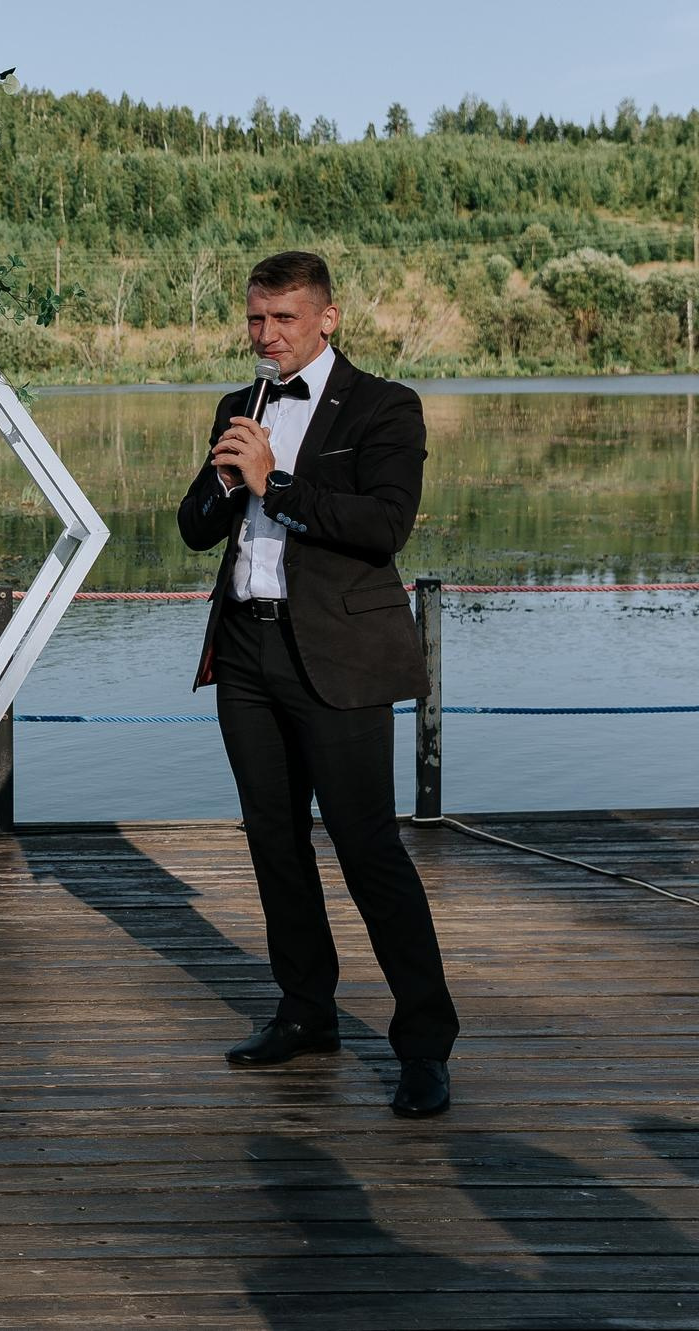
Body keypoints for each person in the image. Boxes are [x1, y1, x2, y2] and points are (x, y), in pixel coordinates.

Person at [177, 250, 459, 1119]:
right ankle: (307, 1012)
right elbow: (193, 529)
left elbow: (384, 525)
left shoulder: (385, 405)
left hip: (338, 656)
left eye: (284, 319)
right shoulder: (242, 404)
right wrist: (226, 480)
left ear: (327, 317)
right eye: (255, 318)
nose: (265, 335)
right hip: (246, 652)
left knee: (368, 848)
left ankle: (424, 1044)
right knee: (274, 841)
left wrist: (278, 484)